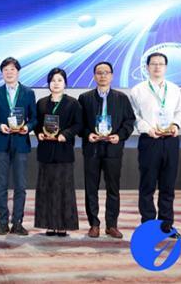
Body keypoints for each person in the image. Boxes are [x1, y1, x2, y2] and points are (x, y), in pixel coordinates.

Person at [130, 52, 181, 239]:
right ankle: (148, 226)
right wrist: (147, 129)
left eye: (161, 64)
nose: (157, 67)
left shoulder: (174, 89)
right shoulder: (138, 90)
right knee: (147, 186)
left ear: (166, 67)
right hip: (150, 141)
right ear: (147, 67)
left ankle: (166, 226)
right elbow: (134, 116)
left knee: (168, 186)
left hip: (170, 141)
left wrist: (176, 125)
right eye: (153, 63)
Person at [78, 61, 136, 239]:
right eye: (99, 72)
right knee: (91, 188)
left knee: (113, 188)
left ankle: (111, 225)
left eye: (106, 72)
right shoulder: (85, 98)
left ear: (111, 75)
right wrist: (87, 134)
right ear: (94, 76)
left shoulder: (121, 98)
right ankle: (94, 224)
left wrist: (120, 135)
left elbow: (129, 121)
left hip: (113, 149)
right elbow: (79, 123)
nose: (103, 75)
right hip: (92, 149)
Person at [0, 57, 37, 236]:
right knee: (1, 185)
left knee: (20, 186)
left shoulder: (28, 93)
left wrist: (27, 127)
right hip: (2, 142)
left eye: (12, 69)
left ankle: (18, 222)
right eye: (6, 70)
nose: (9, 72)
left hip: (21, 143)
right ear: (2, 73)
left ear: (18, 72)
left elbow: (34, 118)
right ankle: (2, 222)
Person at [34, 68, 82, 237]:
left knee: (64, 189)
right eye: (53, 80)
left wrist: (66, 134)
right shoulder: (41, 103)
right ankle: (49, 224)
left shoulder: (73, 103)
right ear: (48, 83)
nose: (56, 83)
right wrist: (38, 133)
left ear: (65, 83)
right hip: (46, 151)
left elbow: (78, 124)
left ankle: (63, 225)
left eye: (59, 80)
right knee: (46, 188)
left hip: (63, 151)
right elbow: (37, 123)